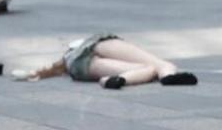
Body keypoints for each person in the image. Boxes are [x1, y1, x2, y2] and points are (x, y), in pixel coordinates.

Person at [14, 35, 197, 89]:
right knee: (157, 64)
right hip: (98, 42)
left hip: (80, 66)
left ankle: (116, 80)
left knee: (147, 69)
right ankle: (167, 74)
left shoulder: (69, 63)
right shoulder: (86, 45)